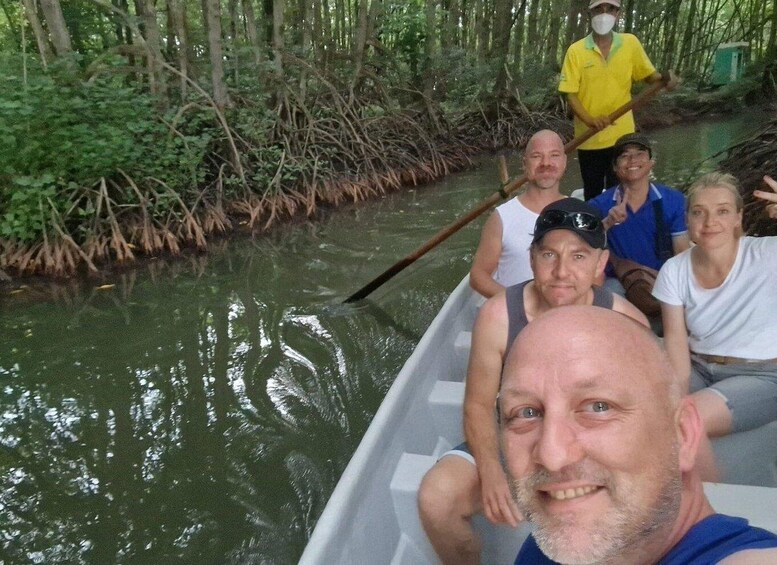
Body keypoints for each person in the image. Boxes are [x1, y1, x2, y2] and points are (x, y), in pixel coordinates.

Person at [417, 199, 648, 565]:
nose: (561, 271)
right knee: (436, 497)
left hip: (590, 440)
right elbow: (478, 405)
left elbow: (639, 416)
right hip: (516, 436)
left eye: (578, 256)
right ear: (531, 258)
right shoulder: (498, 317)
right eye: (549, 255)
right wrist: (491, 471)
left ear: (600, 263)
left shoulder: (627, 326)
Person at [500, 306, 777, 564]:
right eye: (526, 413)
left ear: (682, 433)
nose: (552, 455)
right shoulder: (559, 533)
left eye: (599, 407)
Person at [653, 172, 777, 476]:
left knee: (681, 422)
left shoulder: (766, 253)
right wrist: (675, 396)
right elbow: (677, 344)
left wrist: (680, 415)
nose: (710, 222)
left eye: (722, 211)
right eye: (699, 212)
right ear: (688, 219)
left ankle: (705, 507)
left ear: (738, 217)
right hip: (700, 368)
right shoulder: (674, 270)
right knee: (641, 410)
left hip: (762, 375)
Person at [559, 0, 678, 200]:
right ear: (589, 13)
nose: (604, 14)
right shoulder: (576, 51)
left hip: (623, 137)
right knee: (594, 194)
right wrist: (590, 120)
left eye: (610, 9)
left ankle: (621, 228)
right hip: (589, 137)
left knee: (621, 192)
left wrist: (665, 80)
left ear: (618, 14)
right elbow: (570, 93)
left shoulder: (630, 43)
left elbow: (649, 76)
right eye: (598, 9)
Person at [589, 133, 690, 296]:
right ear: (615, 167)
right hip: (617, 281)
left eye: (639, 154)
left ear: (651, 163)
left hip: (662, 279)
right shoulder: (599, 205)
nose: (633, 160)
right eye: (624, 156)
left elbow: (682, 253)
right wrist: (608, 222)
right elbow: (582, 244)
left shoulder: (674, 200)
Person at [470, 130, 567, 298]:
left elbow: (595, 275)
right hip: (517, 314)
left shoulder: (580, 212)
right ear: (524, 164)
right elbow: (479, 277)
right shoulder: (502, 217)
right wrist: (521, 304)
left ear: (564, 162)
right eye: (537, 156)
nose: (546, 163)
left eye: (554, 155)